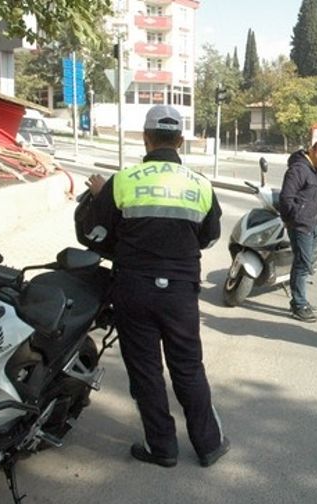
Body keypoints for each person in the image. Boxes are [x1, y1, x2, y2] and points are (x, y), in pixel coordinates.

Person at [85, 105, 229, 468]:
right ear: (180, 140)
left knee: (146, 369)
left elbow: (97, 233)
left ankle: (162, 448)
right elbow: (209, 238)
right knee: (188, 367)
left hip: (133, 288)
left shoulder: (123, 181)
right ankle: (209, 445)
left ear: (146, 138)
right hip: (180, 290)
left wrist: (102, 195)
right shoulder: (200, 185)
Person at [279, 141, 317, 323]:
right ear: (311, 151)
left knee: (305, 263)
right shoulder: (298, 169)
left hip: (314, 223)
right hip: (301, 225)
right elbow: (286, 199)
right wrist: (294, 218)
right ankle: (299, 304)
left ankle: (301, 301)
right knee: (302, 264)